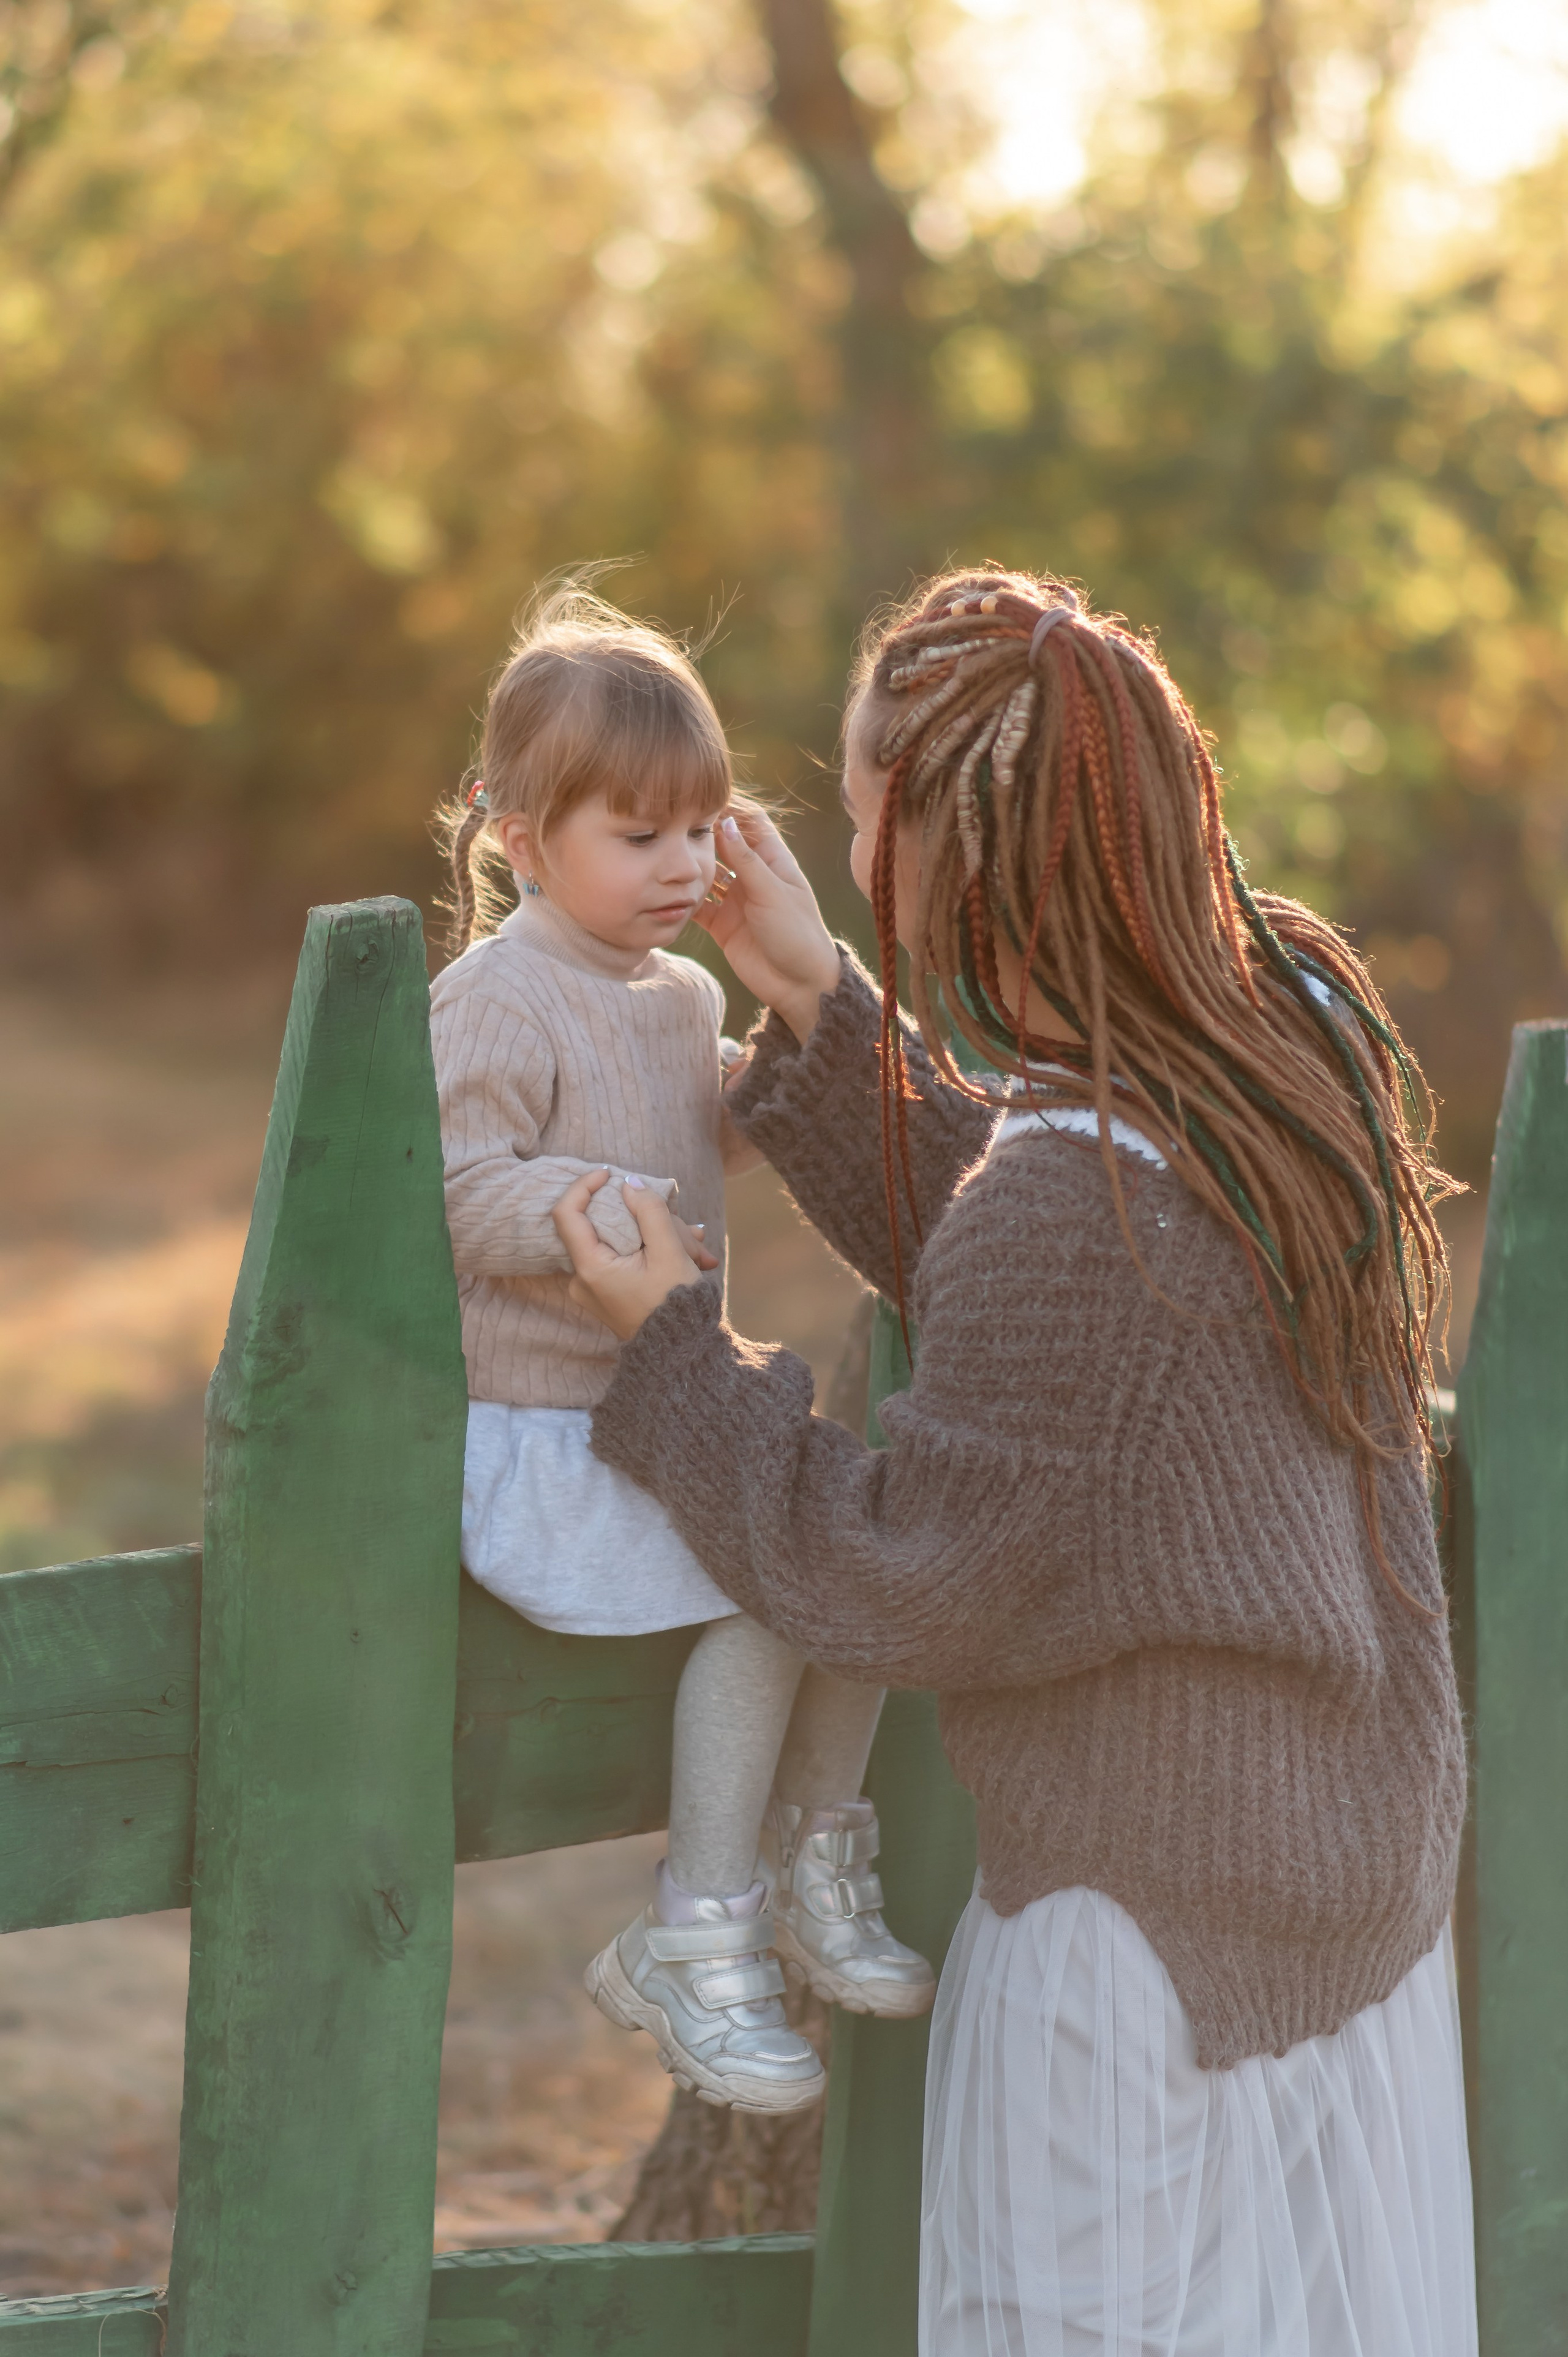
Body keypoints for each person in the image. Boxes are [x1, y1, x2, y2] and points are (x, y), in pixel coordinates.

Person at [552, 569, 1476, 2351]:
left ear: (945, 850)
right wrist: (820, 1001)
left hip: (1142, 1953)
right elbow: (1083, 1358)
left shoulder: (1078, 1205)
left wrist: (673, 1349)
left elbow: (902, 1577)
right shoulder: (1281, 1038)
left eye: (861, 812)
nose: (850, 856)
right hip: (1336, 1891)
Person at [428, 584, 935, 2120]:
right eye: (637, 833)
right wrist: (596, 1208)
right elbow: (451, 1191)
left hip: (662, 1415)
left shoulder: (678, 992)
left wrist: (791, 1016)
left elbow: (711, 1113)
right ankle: (694, 1934)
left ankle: (813, 1851)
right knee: (770, 1582)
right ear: (523, 838)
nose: (680, 863)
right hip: (547, 1431)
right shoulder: (493, 998)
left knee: (853, 1552)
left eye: (702, 827)